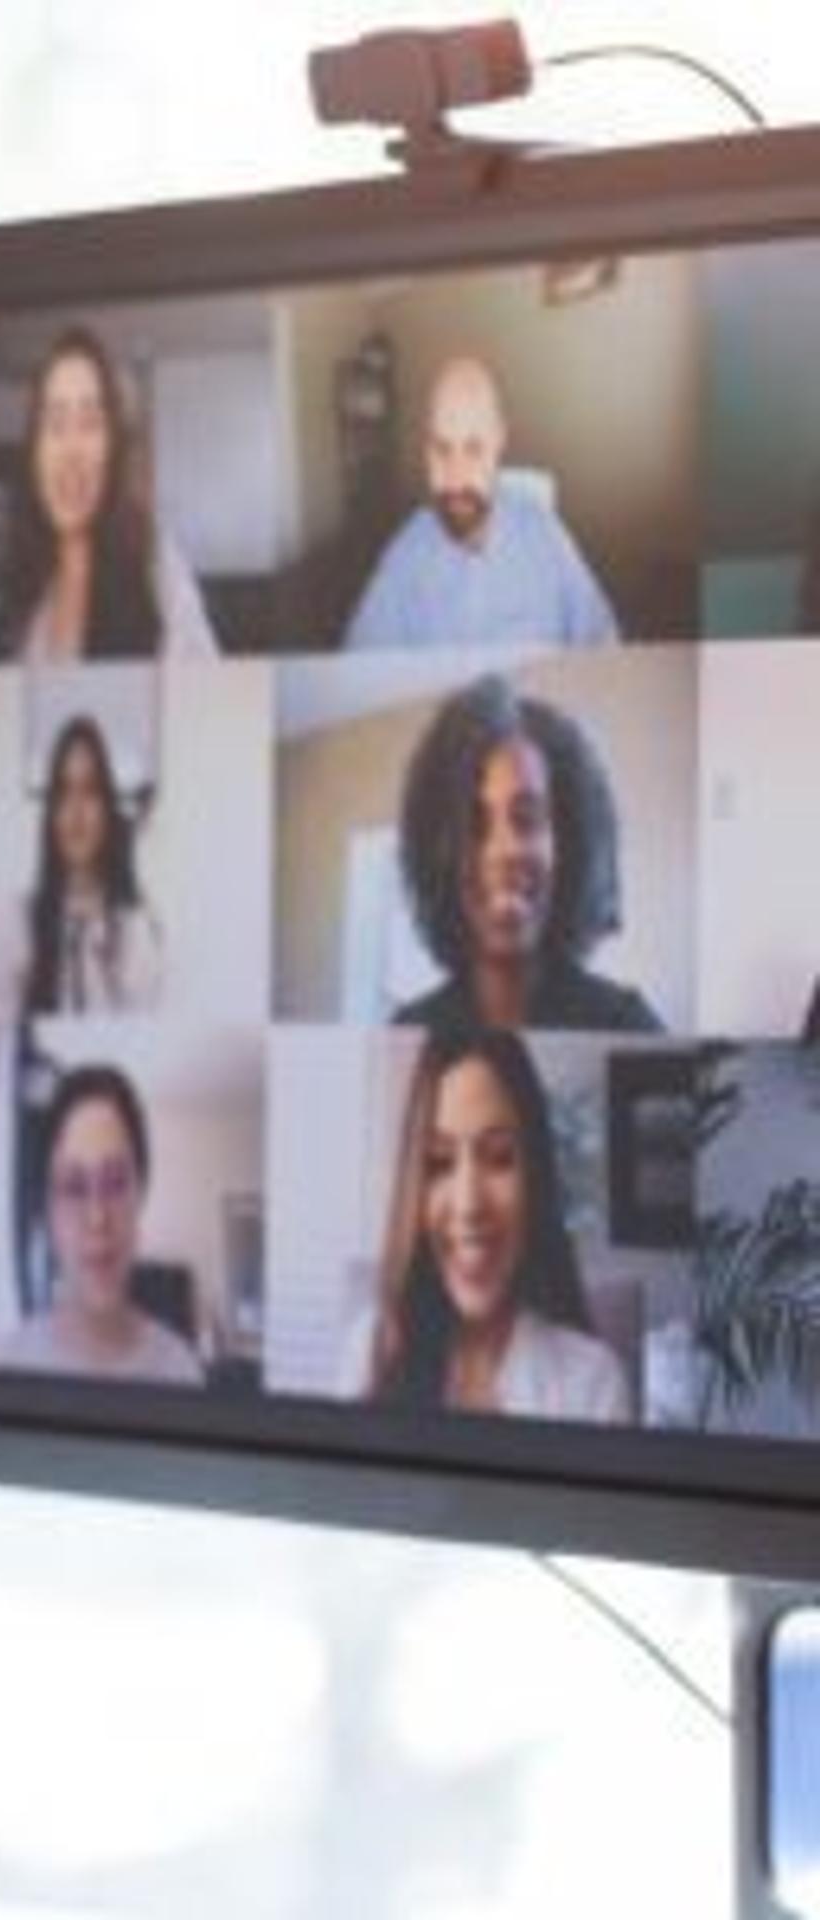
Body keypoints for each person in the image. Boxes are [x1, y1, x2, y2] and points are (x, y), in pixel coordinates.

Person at [357, 1028, 634, 1423]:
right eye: (439, 1163)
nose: (469, 1204)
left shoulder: (592, 1382)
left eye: (499, 1157)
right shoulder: (368, 1348)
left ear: (535, 1179)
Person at [388, 675, 660, 1033]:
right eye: (475, 825)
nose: (505, 851)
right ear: (438, 853)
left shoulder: (625, 1024)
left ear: (568, 843)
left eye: (527, 819)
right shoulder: (407, 1032)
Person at [341, 354, 621, 650]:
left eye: (473, 449)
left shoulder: (546, 535)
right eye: (442, 449)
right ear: (426, 451)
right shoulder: (405, 557)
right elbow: (356, 668)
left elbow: (602, 641)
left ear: (499, 442)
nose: (456, 477)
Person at [8, 328, 220, 662]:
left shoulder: (157, 566)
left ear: (115, 447)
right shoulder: (34, 587)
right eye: (55, 424)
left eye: (90, 423)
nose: (71, 450)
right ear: (34, 449)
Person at [0, 1065, 204, 1386]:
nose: (97, 1219)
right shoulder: (6, 1363)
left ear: (140, 1195)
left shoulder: (183, 1370)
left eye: (116, 1183)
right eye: (74, 1187)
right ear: (48, 1211)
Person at [20, 714, 163, 1015]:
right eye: (63, 792)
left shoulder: (136, 926)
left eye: (90, 791)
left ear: (108, 807)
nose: (76, 811)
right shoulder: (23, 922)